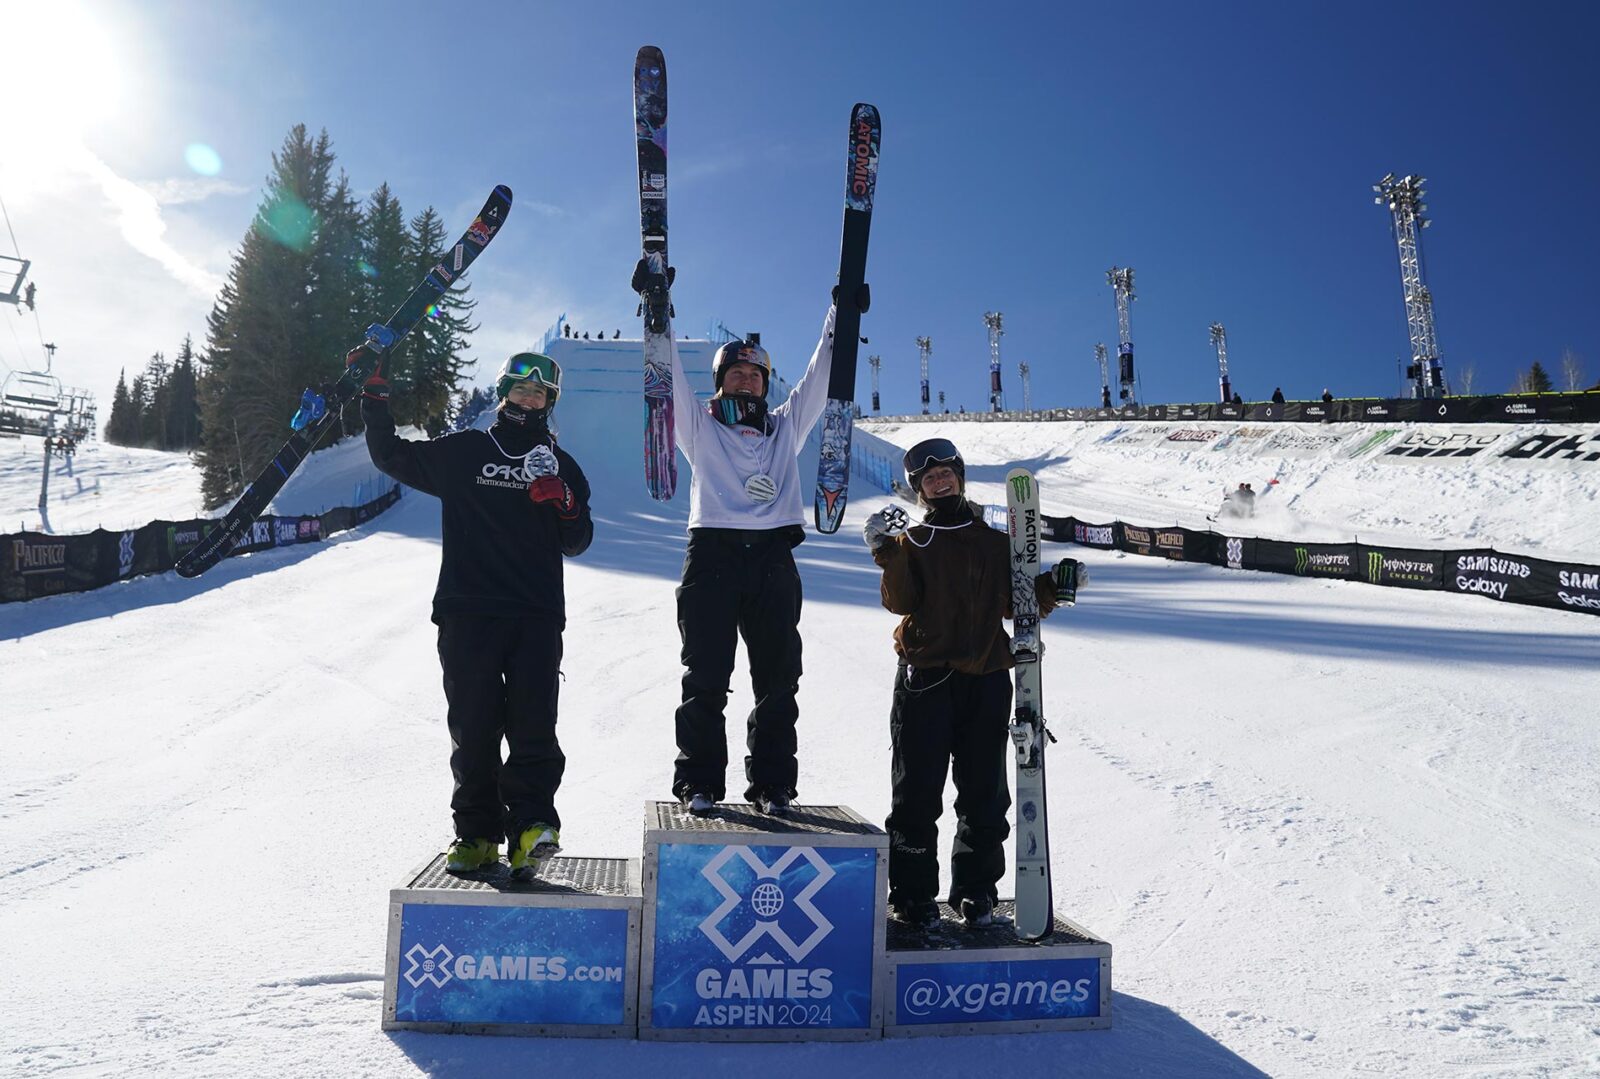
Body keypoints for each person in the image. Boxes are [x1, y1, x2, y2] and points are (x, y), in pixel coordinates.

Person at [634, 259, 865, 818]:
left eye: (756, 375)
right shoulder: (701, 426)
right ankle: (699, 782)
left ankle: (773, 785)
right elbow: (666, 380)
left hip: (772, 559)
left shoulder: (785, 426)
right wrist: (656, 312)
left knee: (778, 681)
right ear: (721, 381)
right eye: (736, 373)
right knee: (706, 677)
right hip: (711, 553)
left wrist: (843, 312)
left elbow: (820, 376)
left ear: (765, 384)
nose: (746, 380)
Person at [357, 349, 593, 877]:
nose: (528, 398)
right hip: (468, 610)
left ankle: (532, 827)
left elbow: (578, 541)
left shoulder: (563, 465)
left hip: (534, 613)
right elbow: (391, 456)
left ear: (549, 403)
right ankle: (477, 835)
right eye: (520, 388)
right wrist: (374, 398)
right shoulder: (465, 451)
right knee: (474, 727)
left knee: (534, 724)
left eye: (540, 393)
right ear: (504, 390)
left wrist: (566, 505)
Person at [862, 438, 1086, 930]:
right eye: (928, 477)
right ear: (918, 489)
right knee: (917, 792)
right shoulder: (914, 540)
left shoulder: (992, 542)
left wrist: (1057, 584)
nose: (938, 480)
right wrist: (886, 550)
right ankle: (914, 894)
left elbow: (1019, 603)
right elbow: (899, 602)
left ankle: (976, 890)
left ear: (960, 476)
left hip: (986, 680)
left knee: (985, 792)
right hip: (925, 682)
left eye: (945, 472)